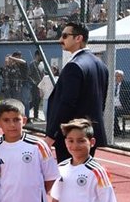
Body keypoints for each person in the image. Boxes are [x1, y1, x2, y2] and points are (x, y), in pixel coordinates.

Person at [44, 22, 109, 163]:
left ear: (78, 38)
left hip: (72, 135)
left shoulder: (74, 66)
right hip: (88, 133)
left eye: (65, 36)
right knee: (85, 173)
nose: (60, 40)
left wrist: (52, 135)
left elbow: (66, 103)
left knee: (70, 176)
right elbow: (101, 100)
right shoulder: (101, 66)